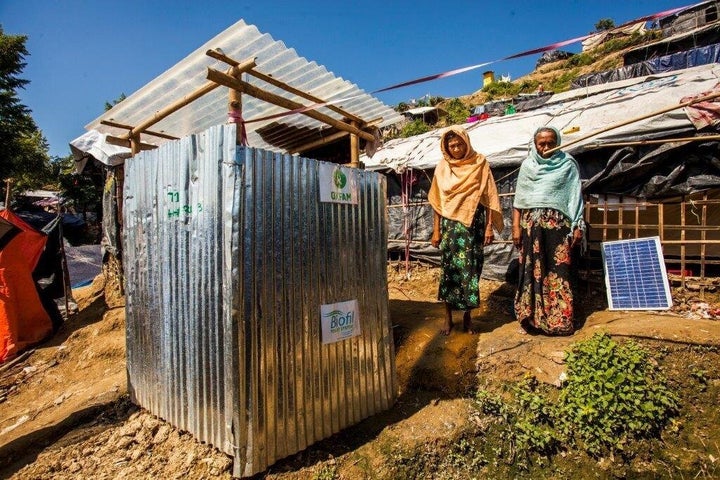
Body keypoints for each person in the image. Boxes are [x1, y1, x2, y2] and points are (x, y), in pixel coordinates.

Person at [428, 127, 504, 335]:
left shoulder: (479, 163)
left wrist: (489, 226)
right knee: (449, 270)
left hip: (473, 225)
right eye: (452, 145)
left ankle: (468, 318)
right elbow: (436, 202)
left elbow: (489, 197)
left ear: (466, 142)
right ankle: (448, 317)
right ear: (446, 147)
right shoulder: (442, 168)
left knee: (471, 271)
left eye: (460, 144)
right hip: (449, 226)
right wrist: (436, 230)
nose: (457, 148)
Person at [512, 126, 585, 335]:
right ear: (535, 145)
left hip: (558, 229)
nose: (546, 147)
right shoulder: (528, 166)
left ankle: (559, 322)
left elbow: (575, 198)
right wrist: (516, 227)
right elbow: (519, 200)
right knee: (530, 271)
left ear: (558, 142)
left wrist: (578, 224)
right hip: (530, 228)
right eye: (541, 143)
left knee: (558, 272)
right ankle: (532, 320)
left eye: (551, 142)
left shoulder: (568, 164)